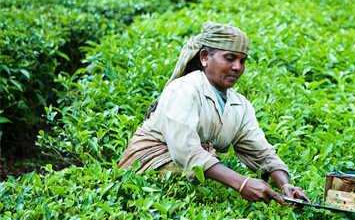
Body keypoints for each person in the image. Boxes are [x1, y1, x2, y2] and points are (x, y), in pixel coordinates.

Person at [119, 22, 310, 204]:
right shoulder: (184, 89)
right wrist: (241, 183)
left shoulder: (240, 105)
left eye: (242, 61)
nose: (237, 67)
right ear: (204, 57)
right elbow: (185, 151)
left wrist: (285, 184)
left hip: (190, 172)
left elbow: (261, 151)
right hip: (146, 171)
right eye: (229, 58)